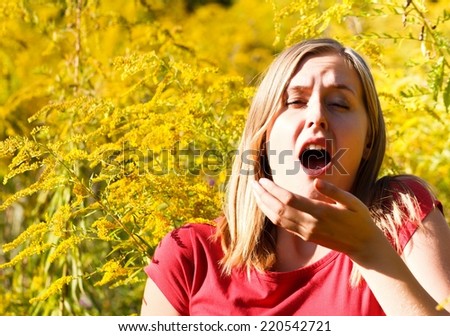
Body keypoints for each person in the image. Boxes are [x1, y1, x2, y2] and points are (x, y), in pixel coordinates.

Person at [140, 38, 450, 316]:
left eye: (340, 103)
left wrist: (368, 249)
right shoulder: (190, 256)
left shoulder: (400, 214)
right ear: (263, 135)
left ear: (368, 140)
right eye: (295, 101)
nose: (317, 116)